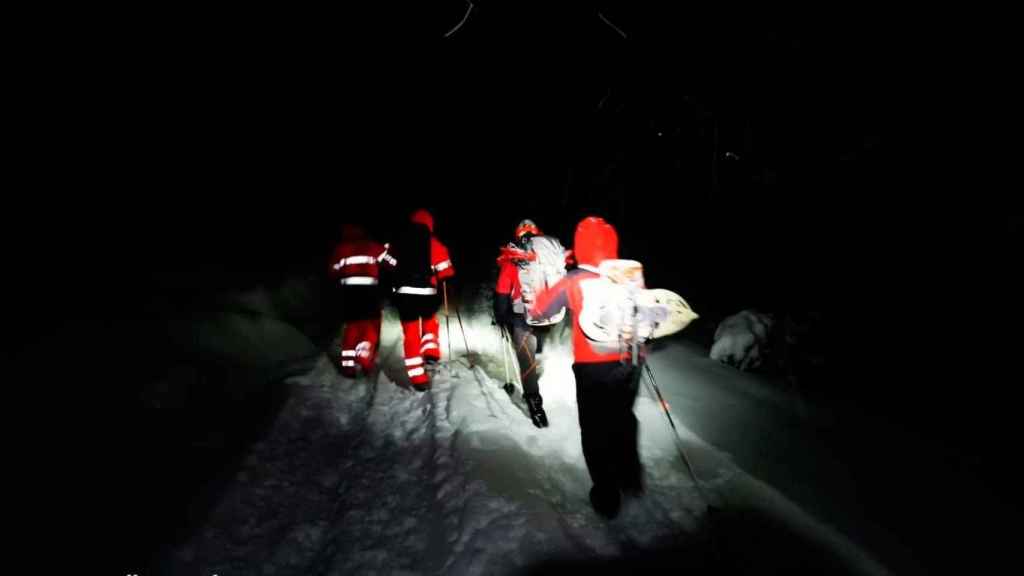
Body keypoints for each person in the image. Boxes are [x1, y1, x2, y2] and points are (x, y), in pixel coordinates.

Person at [529, 216, 644, 518]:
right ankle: (630, 475)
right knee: (622, 417)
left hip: (592, 366)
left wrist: (561, 274)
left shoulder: (575, 279)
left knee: (594, 429)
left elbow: (540, 308)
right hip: (631, 360)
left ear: (580, 246)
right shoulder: (630, 274)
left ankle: (606, 495)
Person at [494, 218, 559, 428]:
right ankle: (538, 356)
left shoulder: (513, 260)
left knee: (526, 359)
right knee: (536, 345)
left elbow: (502, 292)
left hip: (521, 315)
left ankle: (534, 402)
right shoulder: (548, 259)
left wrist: (502, 317)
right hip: (547, 315)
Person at [389, 209, 455, 391]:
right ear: (430, 224)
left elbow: (388, 265)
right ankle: (431, 352)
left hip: (404, 295)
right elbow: (446, 272)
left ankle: (418, 378)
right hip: (427, 294)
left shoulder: (399, 242)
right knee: (430, 323)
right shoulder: (435, 244)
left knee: (410, 335)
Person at [327, 223, 394, 378]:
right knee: (370, 327)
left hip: (349, 294)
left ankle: (348, 366)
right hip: (369, 293)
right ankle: (364, 359)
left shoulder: (340, 249)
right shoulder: (372, 246)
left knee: (351, 327)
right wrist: (387, 250)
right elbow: (391, 263)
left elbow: (332, 271)